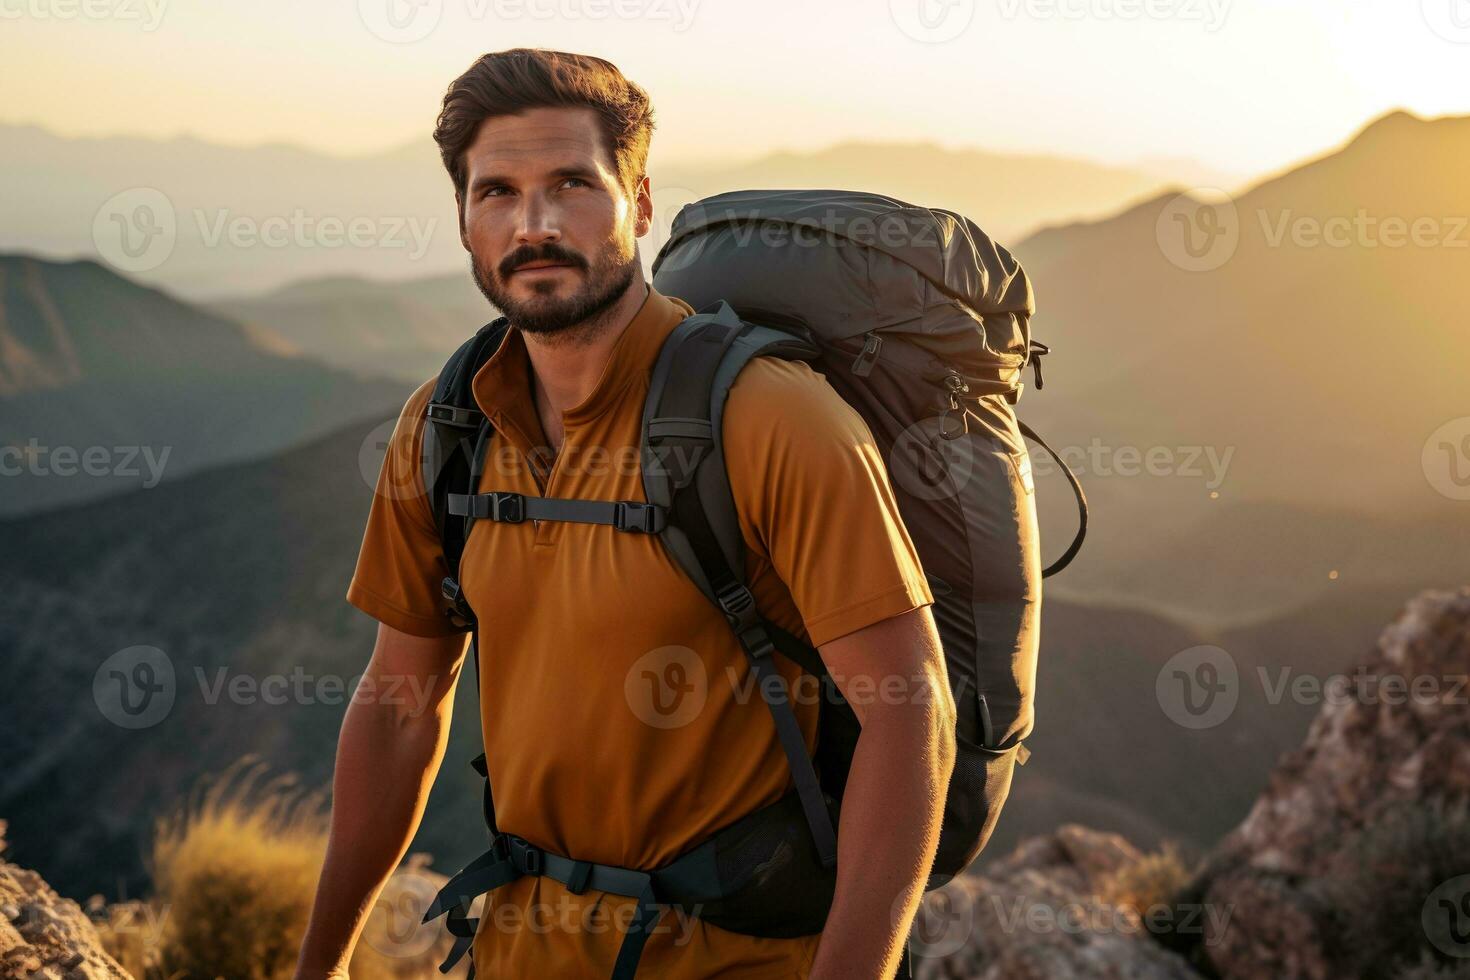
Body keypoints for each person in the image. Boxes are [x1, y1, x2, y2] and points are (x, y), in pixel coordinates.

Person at [295, 48, 955, 980]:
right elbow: (401, 706)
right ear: (463, 220)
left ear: (639, 203)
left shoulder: (772, 418)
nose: (534, 224)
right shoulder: (446, 424)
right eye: (496, 193)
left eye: (573, 184)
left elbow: (910, 711)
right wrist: (316, 966)